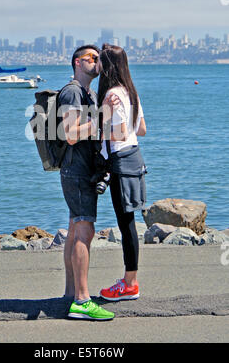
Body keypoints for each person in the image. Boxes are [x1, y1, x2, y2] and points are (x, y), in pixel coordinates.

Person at [58, 45, 116, 321]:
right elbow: (69, 134)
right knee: (85, 232)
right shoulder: (72, 92)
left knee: (74, 230)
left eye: (98, 58)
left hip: (81, 169)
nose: (96, 62)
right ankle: (82, 300)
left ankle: (71, 294)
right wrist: (102, 118)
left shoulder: (89, 93)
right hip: (76, 170)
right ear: (77, 63)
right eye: (91, 58)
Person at [97, 43, 147, 302]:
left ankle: (130, 284)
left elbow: (117, 133)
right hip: (134, 159)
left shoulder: (113, 95)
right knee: (129, 225)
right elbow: (141, 130)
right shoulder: (131, 92)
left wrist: (101, 118)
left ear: (108, 66)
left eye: (100, 62)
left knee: (126, 225)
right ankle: (130, 282)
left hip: (120, 162)